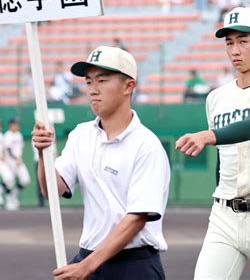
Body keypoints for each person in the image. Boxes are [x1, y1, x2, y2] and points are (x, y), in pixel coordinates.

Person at [176, 7, 250, 279]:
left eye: (243, 41)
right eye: (229, 42)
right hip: (224, 215)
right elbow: (223, 158)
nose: (235, 50)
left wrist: (208, 136)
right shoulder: (216, 97)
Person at [31, 46, 170, 279]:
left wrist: (86, 266)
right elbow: (52, 190)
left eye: (102, 80)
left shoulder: (147, 145)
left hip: (133, 265)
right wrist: (43, 153)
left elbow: (136, 219)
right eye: (88, 82)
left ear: (129, 86)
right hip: (89, 259)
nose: (93, 90)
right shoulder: (81, 134)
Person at [3, 118, 31, 210]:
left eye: (17, 124)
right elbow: (8, 149)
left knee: (25, 179)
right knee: (10, 181)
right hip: (10, 161)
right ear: (11, 125)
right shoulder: (8, 135)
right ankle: (9, 200)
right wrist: (16, 158)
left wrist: (18, 158)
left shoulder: (19, 135)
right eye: (15, 124)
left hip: (18, 160)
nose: (17, 126)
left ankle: (14, 194)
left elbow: (20, 148)